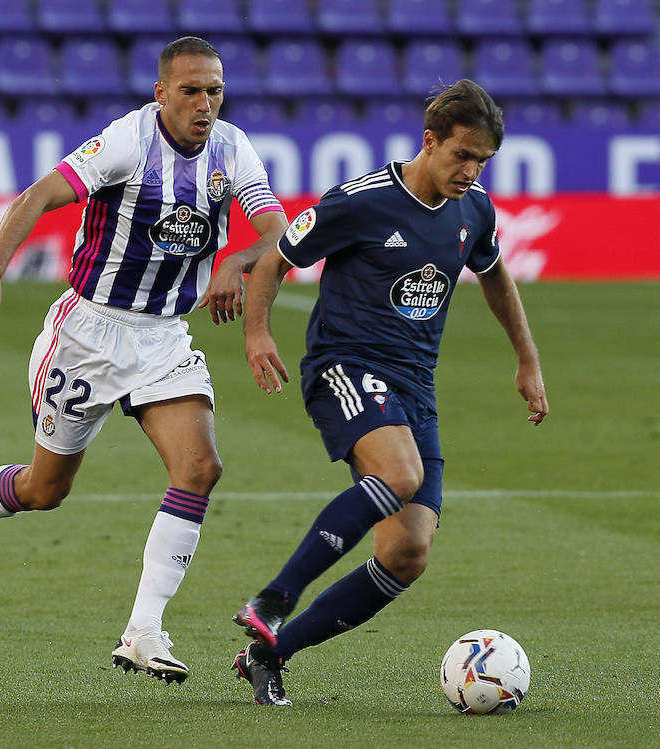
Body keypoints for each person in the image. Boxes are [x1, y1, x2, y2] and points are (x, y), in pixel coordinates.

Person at [0, 37, 288, 681]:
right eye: (191, 90)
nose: (205, 103)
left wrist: (241, 259)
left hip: (164, 338)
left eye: (215, 90)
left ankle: (143, 631)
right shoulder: (127, 141)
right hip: (88, 332)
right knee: (44, 491)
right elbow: (37, 196)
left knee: (199, 467)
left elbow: (279, 232)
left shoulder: (232, 147)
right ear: (161, 92)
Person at [227, 79, 549, 706]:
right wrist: (258, 331)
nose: (470, 170)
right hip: (343, 364)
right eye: (461, 154)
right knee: (399, 475)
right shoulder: (360, 200)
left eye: (482, 160)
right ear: (429, 141)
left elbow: (495, 275)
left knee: (407, 552)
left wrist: (527, 360)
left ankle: (269, 653)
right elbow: (275, 259)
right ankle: (273, 598)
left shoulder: (474, 209)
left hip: (413, 385)